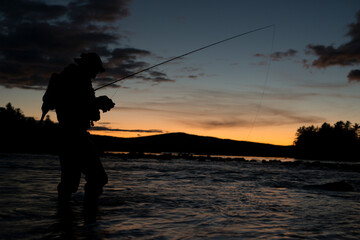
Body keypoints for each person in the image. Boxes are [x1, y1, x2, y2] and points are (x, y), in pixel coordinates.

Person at [42, 53, 115, 204]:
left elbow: (80, 105)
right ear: (89, 67)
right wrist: (99, 103)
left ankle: (65, 219)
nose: (95, 75)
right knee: (97, 178)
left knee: (69, 183)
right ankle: (89, 216)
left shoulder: (70, 78)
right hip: (74, 137)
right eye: (95, 70)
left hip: (66, 136)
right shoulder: (77, 81)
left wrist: (96, 103)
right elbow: (78, 107)